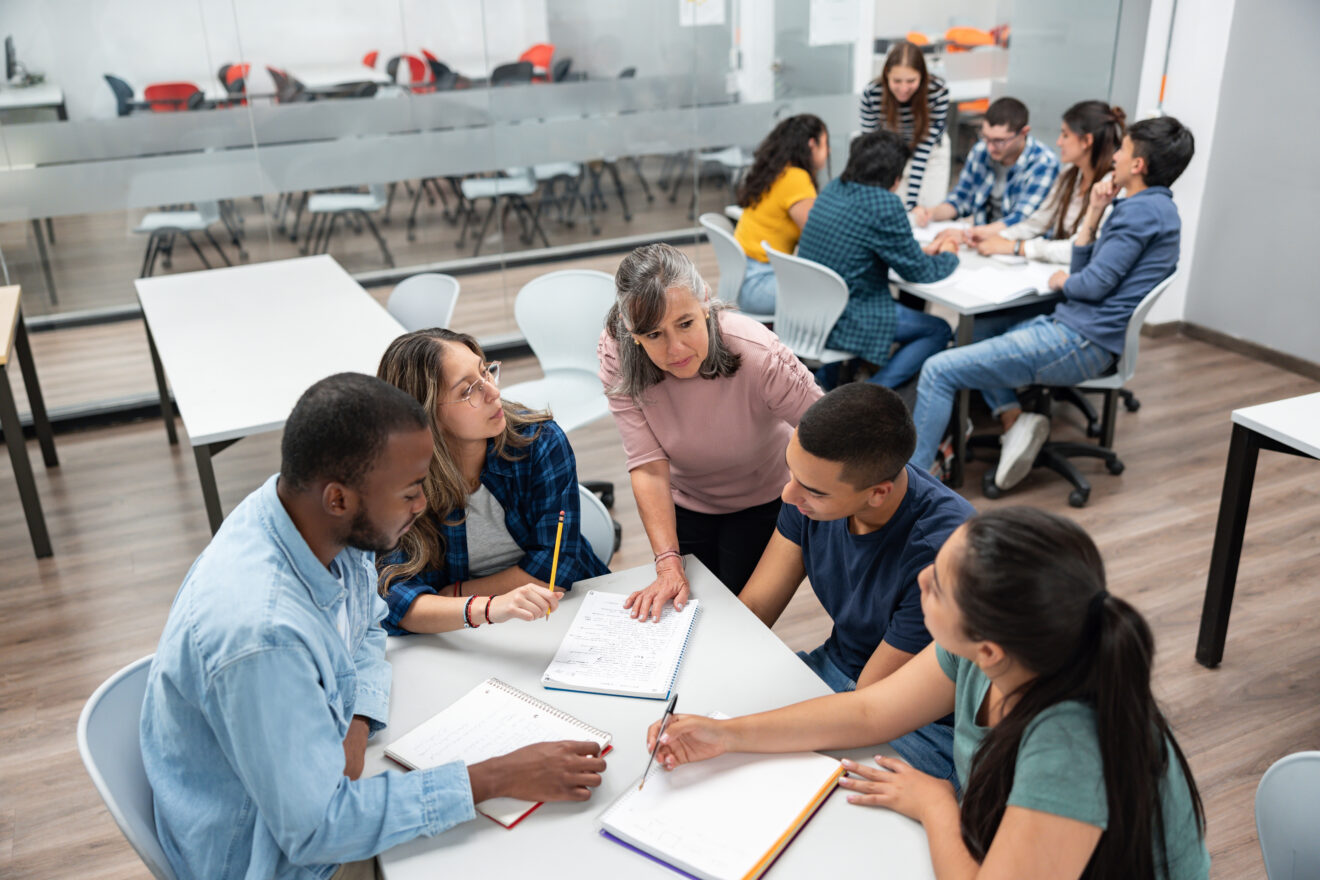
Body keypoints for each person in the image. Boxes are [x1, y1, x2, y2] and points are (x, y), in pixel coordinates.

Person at [141, 374, 607, 880]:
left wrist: (357, 723)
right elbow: (318, 830)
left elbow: (368, 625)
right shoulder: (262, 637)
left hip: (319, 787)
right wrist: (496, 775)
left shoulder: (306, 515)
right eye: (409, 493)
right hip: (275, 859)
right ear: (339, 498)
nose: (423, 506)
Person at [649, 508, 1211, 879]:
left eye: (936, 584)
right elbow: (869, 712)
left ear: (988, 648)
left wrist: (939, 803)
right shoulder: (993, 649)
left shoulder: (1069, 747)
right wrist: (726, 733)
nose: (920, 581)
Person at [910, 116, 1195, 491]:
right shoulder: (1155, 209)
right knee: (974, 333)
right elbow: (1088, 272)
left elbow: (1089, 285)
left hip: (1081, 340)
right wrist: (1093, 213)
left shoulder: (1139, 213)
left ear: (1138, 165)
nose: (1116, 158)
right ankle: (1014, 421)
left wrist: (1069, 281)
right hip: (1082, 330)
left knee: (937, 369)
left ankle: (910, 490)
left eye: (1123, 151)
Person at [739, 383, 974, 781]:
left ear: (878, 494)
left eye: (811, 489)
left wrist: (736, 734)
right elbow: (756, 606)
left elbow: (869, 704)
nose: (788, 493)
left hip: (916, 720)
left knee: (784, 776)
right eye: (791, 472)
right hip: (839, 671)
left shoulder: (942, 554)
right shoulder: (809, 494)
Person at [598, 243, 822, 615]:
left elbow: (825, 429)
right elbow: (648, 464)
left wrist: (804, 495)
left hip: (763, 499)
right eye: (653, 334)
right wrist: (667, 561)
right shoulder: (617, 352)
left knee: (737, 618)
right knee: (686, 612)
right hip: (685, 498)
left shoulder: (756, 351)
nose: (675, 348)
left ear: (705, 301)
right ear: (630, 330)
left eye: (685, 323)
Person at [375, 328, 609, 635]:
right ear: (425, 415)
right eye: (468, 390)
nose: (493, 392)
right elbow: (396, 601)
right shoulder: (393, 479)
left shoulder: (540, 442)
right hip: (463, 633)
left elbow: (552, 571)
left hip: (564, 614)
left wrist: (452, 597)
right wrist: (488, 608)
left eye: (486, 371)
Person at [796, 129, 958, 390]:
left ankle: (825, 386)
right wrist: (950, 252)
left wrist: (916, 252)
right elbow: (920, 272)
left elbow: (861, 244)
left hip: (813, 309)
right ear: (895, 177)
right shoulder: (884, 203)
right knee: (938, 330)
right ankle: (869, 393)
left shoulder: (834, 188)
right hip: (850, 316)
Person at [974, 101, 1126, 263]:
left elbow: (1078, 247)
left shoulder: (1111, 188)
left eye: (1065, 135)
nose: (1059, 142)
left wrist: (1017, 247)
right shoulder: (1069, 175)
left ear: (1086, 141)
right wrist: (997, 237)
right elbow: (1040, 221)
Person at [912, 97, 1060, 244]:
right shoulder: (981, 151)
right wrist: (930, 213)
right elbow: (961, 199)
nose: (990, 147)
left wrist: (969, 234)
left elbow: (1022, 220)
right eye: (986, 137)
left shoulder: (1043, 163)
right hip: (983, 242)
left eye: (999, 141)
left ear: (1024, 132)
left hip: (1018, 247)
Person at [733, 114, 830, 314]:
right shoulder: (796, 178)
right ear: (812, 145)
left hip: (742, 278)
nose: (828, 152)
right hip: (759, 284)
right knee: (833, 294)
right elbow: (819, 235)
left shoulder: (776, 171)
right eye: (825, 144)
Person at [859, 39, 952, 211]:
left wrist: (912, 203)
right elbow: (870, 147)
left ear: (922, 76)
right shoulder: (872, 93)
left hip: (930, 152)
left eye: (911, 81)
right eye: (897, 81)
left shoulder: (937, 91)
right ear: (887, 73)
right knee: (892, 205)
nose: (903, 88)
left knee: (927, 209)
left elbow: (925, 146)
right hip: (890, 152)